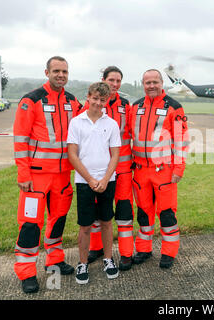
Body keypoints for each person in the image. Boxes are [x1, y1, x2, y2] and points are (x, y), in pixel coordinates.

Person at [13, 56, 82, 293]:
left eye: (64, 71)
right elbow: (20, 140)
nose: (60, 75)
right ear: (47, 72)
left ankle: (54, 260)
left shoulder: (73, 101)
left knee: (58, 221)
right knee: (31, 224)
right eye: (56, 71)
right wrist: (23, 174)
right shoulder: (31, 100)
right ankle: (26, 272)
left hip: (63, 177)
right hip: (36, 178)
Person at [128, 69, 189, 269]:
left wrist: (179, 168)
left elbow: (181, 140)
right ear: (142, 84)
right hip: (140, 171)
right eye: (148, 82)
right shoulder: (135, 107)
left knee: (166, 214)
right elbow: (128, 134)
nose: (151, 86)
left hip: (164, 170)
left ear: (162, 83)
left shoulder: (174, 106)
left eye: (155, 82)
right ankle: (144, 250)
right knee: (144, 213)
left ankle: (169, 252)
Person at [67, 82, 121, 284]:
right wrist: (90, 179)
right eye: (95, 98)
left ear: (106, 101)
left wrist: (105, 179)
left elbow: (115, 154)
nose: (98, 103)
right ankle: (82, 263)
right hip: (84, 181)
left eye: (102, 100)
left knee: (107, 222)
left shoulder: (111, 124)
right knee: (85, 225)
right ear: (88, 97)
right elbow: (72, 154)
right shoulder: (76, 122)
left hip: (107, 180)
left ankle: (108, 259)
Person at [81, 66, 134, 271]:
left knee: (123, 210)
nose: (115, 84)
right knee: (98, 212)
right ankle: (96, 249)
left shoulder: (126, 105)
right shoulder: (93, 103)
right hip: (99, 169)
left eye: (118, 80)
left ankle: (126, 253)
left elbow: (130, 131)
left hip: (121, 168)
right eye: (111, 80)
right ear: (103, 80)